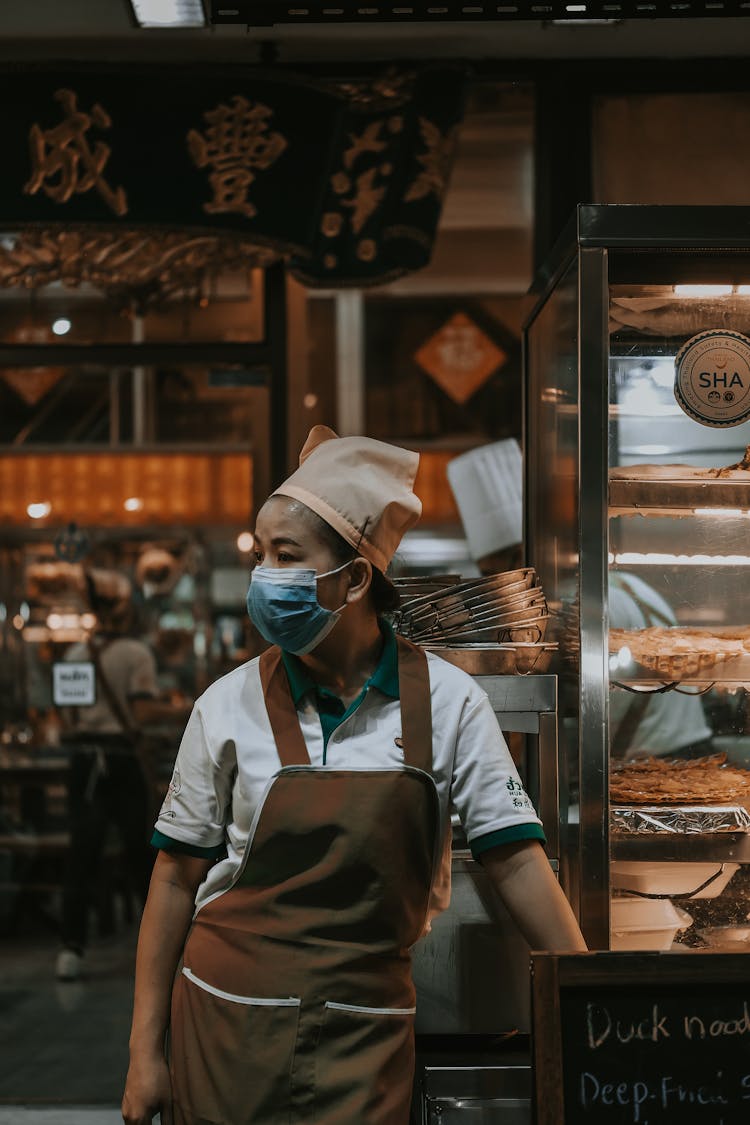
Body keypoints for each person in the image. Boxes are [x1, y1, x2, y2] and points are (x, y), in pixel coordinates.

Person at [122, 426, 585, 1125]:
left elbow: (518, 862)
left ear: (356, 577)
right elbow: (174, 878)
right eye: (261, 553)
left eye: (286, 555)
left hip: (366, 1040)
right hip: (225, 1034)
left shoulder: (452, 703)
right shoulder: (226, 704)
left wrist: (585, 1002)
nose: (264, 575)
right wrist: (143, 1052)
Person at [56, 569, 184, 982]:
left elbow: (68, 718)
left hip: (83, 763)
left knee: (82, 854)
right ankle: (158, 948)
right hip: (120, 761)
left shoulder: (76, 655)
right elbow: (143, 714)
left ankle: (70, 949)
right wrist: (190, 708)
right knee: (140, 855)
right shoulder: (136, 654)